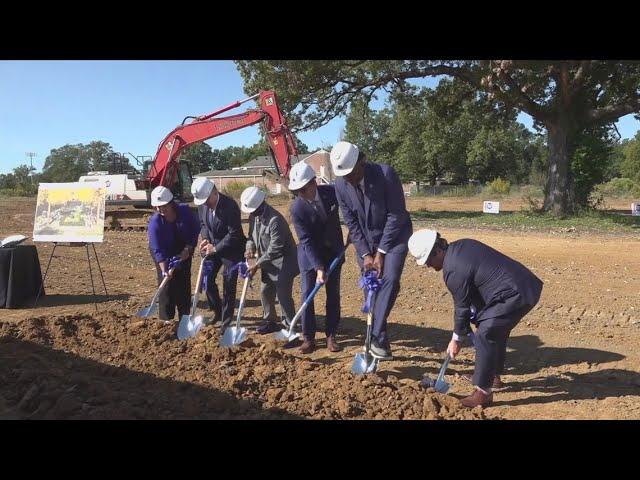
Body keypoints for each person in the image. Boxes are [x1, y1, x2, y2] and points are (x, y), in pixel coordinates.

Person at [408, 229, 544, 408]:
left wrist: (456, 339)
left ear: (436, 251)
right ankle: (491, 375)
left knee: (486, 332)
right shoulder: (461, 246)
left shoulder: (452, 270)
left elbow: (462, 307)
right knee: (493, 327)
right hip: (524, 285)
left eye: (427, 261)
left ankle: (483, 393)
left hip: (515, 293)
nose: (428, 266)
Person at [330, 141, 412, 359]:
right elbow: (350, 221)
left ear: (362, 162)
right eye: (344, 175)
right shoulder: (340, 185)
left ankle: (374, 336)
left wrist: (381, 252)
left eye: (351, 173)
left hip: (394, 238)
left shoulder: (385, 174)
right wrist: (366, 254)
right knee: (371, 289)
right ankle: (380, 342)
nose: (348, 178)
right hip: (364, 241)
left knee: (390, 280)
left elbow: (396, 215)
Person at [288, 161, 345, 354]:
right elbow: (306, 240)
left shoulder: (331, 193)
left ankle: (331, 335)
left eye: (303, 189)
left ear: (314, 183)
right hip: (310, 255)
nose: (301, 194)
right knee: (306, 294)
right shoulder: (297, 208)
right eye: (298, 191)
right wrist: (319, 267)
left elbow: (350, 205)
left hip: (334, 252)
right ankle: (308, 337)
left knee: (333, 295)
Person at [241, 186, 299, 334]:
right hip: (268, 263)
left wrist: (257, 264)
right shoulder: (254, 217)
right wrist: (249, 249)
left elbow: (275, 249)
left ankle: (289, 326)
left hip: (284, 262)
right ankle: (270, 321)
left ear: (261, 204)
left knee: (282, 294)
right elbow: (251, 237)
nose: (251, 213)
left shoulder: (275, 220)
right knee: (265, 290)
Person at [191, 177, 246, 332]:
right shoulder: (203, 206)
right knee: (207, 281)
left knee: (228, 286)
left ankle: (226, 322)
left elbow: (234, 234)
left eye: (207, 199)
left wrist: (215, 248)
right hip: (212, 247)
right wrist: (205, 239)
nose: (205, 203)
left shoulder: (230, 206)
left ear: (214, 192)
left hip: (232, 250)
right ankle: (218, 311)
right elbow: (203, 224)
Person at [147, 186, 200, 320]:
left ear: (171, 202)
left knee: (183, 282)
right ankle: (166, 319)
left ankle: (184, 317)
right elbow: (157, 248)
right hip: (163, 251)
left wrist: (188, 248)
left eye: (163, 206)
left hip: (183, 248)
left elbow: (195, 230)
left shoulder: (185, 212)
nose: (160, 210)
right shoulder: (155, 222)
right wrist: (164, 268)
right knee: (166, 285)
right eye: (157, 207)